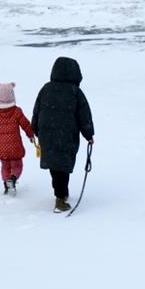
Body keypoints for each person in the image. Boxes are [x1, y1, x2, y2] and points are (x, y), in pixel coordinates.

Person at [31, 57, 95, 212]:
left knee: (55, 165)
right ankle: (60, 199)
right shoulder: (75, 92)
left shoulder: (46, 89)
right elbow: (84, 115)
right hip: (66, 135)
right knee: (63, 166)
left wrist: (35, 129)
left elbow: (37, 110)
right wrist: (89, 134)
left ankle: (61, 193)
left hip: (47, 134)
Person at [0, 82, 34, 195]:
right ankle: (12, 179)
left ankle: (6, 184)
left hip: (1, 146)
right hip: (14, 147)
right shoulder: (16, 111)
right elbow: (26, 124)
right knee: (17, 165)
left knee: (5, 166)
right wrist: (31, 134)